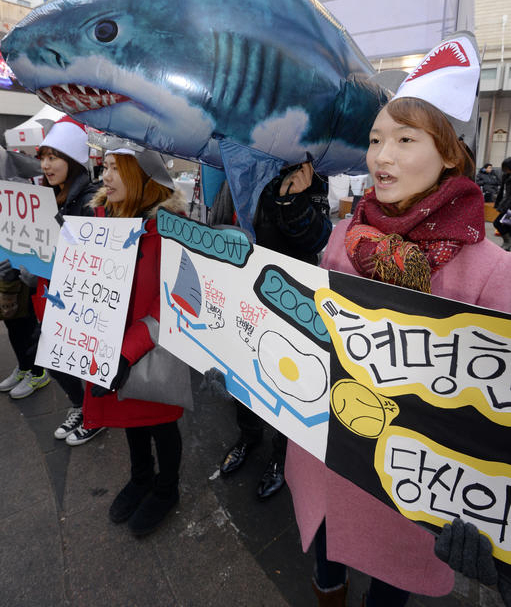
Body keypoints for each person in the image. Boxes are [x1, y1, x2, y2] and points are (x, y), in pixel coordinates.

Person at [284, 97, 511, 606]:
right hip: (325, 454)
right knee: (325, 557)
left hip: (406, 487)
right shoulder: (345, 234)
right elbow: (312, 334)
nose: (381, 156)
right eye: (375, 140)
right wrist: (247, 368)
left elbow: (495, 413)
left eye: (405, 140)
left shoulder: (493, 271)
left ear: (450, 154)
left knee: (389, 583)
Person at [82, 143, 188, 536]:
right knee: (129, 417)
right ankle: (141, 477)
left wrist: (126, 353)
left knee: (160, 421)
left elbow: (173, 303)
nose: (105, 177)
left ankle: (167, 488)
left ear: (142, 177)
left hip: (153, 351)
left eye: (115, 168)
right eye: (104, 167)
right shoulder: (98, 223)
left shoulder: (172, 231)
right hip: (112, 349)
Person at [209, 162, 332, 499]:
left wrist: (292, 201)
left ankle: (282, 455)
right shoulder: (232, 162)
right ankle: (248, 437)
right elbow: (216, 223)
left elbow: (320, 236)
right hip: (239, 292)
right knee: (241, 373)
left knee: (286, 383)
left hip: (286, 297)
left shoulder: (310, 169)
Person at [35, 116, 101, 444]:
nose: (46, 165)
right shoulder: (44, 196)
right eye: (43, 157)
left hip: (81, 298)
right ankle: (80, 405)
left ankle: (95, 414)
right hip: (49, 292)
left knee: (84, 358)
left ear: (73, 161)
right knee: (54, 357)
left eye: (54, 157)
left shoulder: (91, 199)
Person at [0, 261, 50, 398]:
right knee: (11, 318)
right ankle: (24, 367)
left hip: (33, 257)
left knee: (29, 321)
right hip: (9, 255)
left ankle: (37, 373)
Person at [493, 157, 511, 251]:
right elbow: (502, 191)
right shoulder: (506, 176)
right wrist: (498, 204)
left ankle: (508, 243)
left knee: (498, 223)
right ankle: (508, 243)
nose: (505, 170)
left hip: (509, 206)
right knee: (503, 224)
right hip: (507, 204)